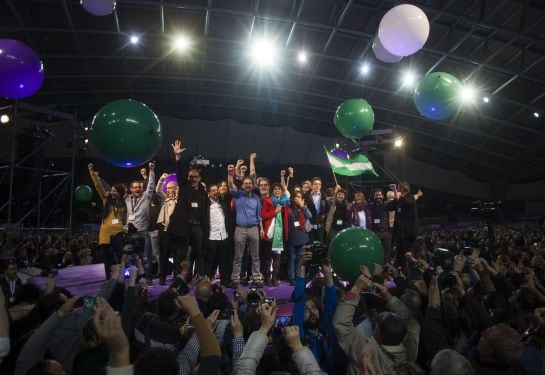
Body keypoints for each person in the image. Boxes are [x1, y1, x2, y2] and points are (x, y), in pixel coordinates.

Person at [333, 271, 420, 375]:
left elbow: (341, 322)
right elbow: (411, 321)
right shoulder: (410, 353)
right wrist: (389, 298)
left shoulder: (366, 351)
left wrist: (355, 289)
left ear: (377, 332)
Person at [292, 250, 341, 374]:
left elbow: (331, 305)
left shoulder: (328, 330)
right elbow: (298, 299)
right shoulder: (300, 337)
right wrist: (302, 267)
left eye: (313, 307)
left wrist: (328, 274)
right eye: (306, 310)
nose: (311, 311)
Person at [167, 140, 208, 279]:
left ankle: (200, 276)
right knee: (181, 253)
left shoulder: (203, 191)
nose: (193, 178)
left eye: (195, 177)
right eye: (190, 177)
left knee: (199, 253)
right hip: (184, 226)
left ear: (200, 178)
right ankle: (178, 277)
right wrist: (178, 157)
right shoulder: (184, 186)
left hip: (197, 227)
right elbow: (179, 174)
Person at [88, 163, 127, 278]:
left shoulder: (126, 203)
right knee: (107, 259)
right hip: (105, 234)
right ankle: (109, 279)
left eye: (115, 191)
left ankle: (120, 278)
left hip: (119, 234)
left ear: (120, 192)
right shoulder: (106, 201)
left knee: (119, 258)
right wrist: (92, 173)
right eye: (112, 190)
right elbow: (98, 187)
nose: (112, 192)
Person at [228, 164, 263, 288]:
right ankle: (235, 279)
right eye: (246, 183)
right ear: (242, 186)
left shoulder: (257, 199)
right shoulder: (238, 195)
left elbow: (259, 215)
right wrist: (230, 173)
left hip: (254, 228)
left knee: (255, 256)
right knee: (238, 256)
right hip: (240, 228)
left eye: (250, 183)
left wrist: (262, 228)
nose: (248, 185)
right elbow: (231, 186)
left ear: (252, 186)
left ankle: (257, 278)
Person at [125, 162, 156, 281]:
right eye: (135, 187)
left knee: (146, 258)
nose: (137, 189)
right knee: (129, 258)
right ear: (131, 189)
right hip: (130, 233)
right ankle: (129, 279)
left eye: (139, 187)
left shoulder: (146, 197)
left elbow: (151, 185)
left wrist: (152, 171)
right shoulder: (127, 199)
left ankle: (147, 278)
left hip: (143, 232)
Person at [204, 183, 232, 284]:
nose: (216, 192)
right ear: (209, 193)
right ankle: (208, 281)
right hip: (211, 236)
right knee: (210, 260)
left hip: (223, 235)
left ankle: (224, 281)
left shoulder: (223, 203)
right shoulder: (205, 205)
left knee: (224, 260)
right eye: (213, 190)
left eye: (217, 190)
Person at [391, 182, 418, 269]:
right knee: (399, 255)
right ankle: (400, 275)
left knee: (408, 256)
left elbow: (406, 202)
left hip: (408, 234)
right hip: (400, 233)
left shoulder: (410, 197)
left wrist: (395, 191)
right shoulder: (401, 200)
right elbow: (397, 203)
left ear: (402, 189)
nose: (398, 191)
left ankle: (412, 275)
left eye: (399, 189)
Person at [157, 177, 179, 285]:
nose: (168, 190)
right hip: (164, 229)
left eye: (171, 188)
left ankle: (176, 276)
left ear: (176, 189)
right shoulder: (165, 198)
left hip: (176, 230)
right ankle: (162, 276)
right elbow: (158, 190)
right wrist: (161, 180)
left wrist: (178, 193)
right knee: (163, 254)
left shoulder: (179, 199)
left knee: (176, 255)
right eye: (168, 188)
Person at [286, 191, 312, 284]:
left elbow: (309, 216)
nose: (298, 198)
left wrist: (302, 206)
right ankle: (291, 277)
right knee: (292, 258)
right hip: (292, 236)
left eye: (300, 197)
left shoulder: (303, 208)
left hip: (302, 236)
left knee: (300, 258)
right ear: (293, 198)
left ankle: (298, 276)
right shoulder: (288, 208)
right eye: (296, 196)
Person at [368, 188, 393, 263]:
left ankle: (386, 269)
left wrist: (395, 191)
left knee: (387, 253)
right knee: (375, 252)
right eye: (376, 195)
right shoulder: (370, 206)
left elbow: (396, 202)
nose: (378, 196)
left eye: (379, 195)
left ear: (382, 196)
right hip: (375, 233)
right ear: (374, 196)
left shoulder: (387, 204)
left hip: (386, 232)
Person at [304, 177, 326, 243]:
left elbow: (328, 208)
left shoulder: (324, 196)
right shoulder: (305, 196)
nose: (317, 186)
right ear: (312, 185)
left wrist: (324, 215)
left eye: (319, 184)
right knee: (310, 244)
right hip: (309, 223)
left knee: (319, 244)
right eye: (315, 184)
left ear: (321, 186)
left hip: (320, 224)